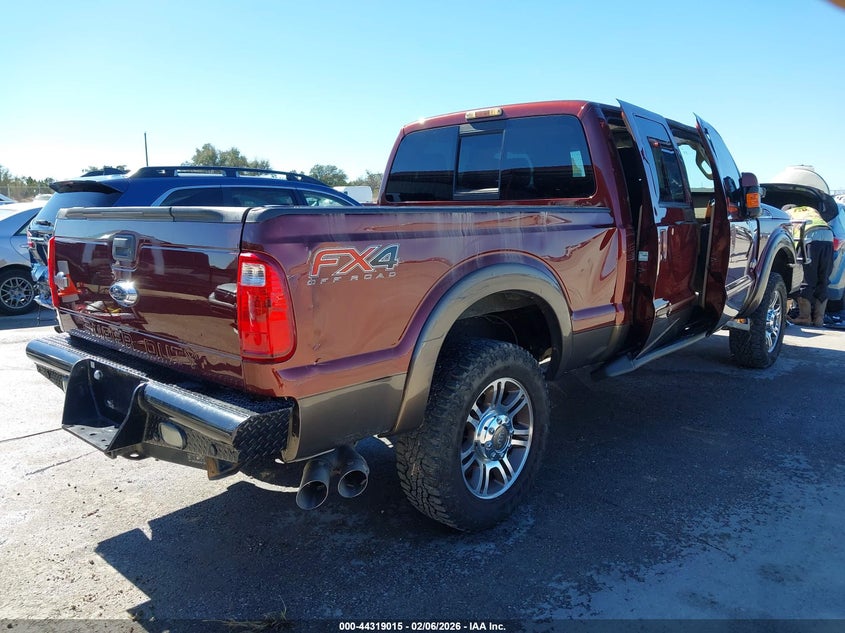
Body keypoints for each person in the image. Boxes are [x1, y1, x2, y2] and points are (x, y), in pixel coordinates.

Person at [784, 204, 834, 326]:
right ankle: (819, 319)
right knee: (823, 279)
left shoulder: (787, 215)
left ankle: (804, 317)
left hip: (809, 237)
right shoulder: (810, 210)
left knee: (806, 279)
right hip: (828, 236)